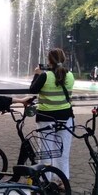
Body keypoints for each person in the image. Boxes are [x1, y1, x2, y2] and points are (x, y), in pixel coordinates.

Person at [29, 48, 75, 186]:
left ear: (49, 60)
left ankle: (46, 182)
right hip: (66, 118)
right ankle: (63, 181)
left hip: (46, 118)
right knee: (63, 151)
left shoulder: (45, 76)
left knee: (46, 152)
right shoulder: (70, 75)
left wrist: (37, 74)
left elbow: (32, 90)